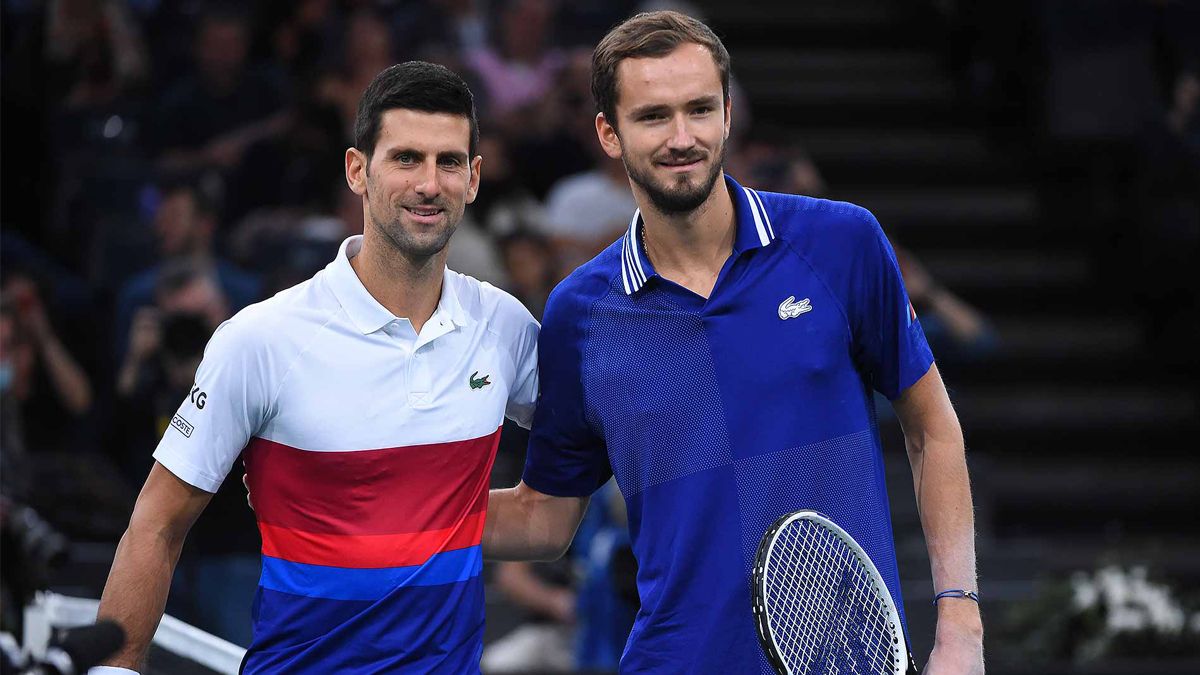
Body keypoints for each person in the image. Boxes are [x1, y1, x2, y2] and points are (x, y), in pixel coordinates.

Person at [484, 11, 984, 674]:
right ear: (609, 132)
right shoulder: (579, 312)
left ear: (727, 113)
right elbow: (542, 520)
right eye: (654, 116)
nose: (682, 137)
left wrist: (961, 623)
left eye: (699, 109)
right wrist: (385, 505)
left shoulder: (842, 244)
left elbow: (931, 427)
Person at [92, 61, 540, 673]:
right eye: (406, 158)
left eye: (449, 161)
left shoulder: (506, 326)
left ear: (475, 178)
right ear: (358, 169)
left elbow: (586, 463)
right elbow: (156, 528)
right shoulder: (261, 338)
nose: (430, 183)